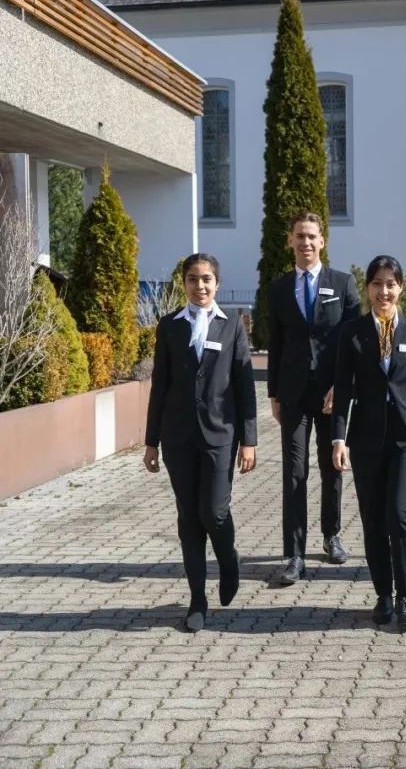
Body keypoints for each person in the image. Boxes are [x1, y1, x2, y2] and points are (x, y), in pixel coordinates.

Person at [144, 253, 257, 632]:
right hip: (178, 437)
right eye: (193, 279)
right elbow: (160, 385)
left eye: (206, 279)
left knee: (214, 511)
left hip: (220, 434)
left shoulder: (232, 325)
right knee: (189, 518)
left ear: (217, 283)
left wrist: (249, 440)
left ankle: (228, 560)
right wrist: (151, 441)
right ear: (184, 283)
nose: (200, 286)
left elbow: (244, 385)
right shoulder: (169, 326)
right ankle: (197, 599)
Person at [331, 255, 406, 632]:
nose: (384, 291)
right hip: (366, 439)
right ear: (368, 288)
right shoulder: (352, 332)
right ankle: (383, 594)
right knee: (374, 518)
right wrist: (339, 438)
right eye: (377, 283)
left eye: (390, 284)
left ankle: (405, 595)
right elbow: (343, 389)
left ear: (401, 288)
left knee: (400, 513)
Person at [266, 212, 361, 585]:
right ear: (290, 240)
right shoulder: (278, 288)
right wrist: (273, 393)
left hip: (331, 392)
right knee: (294, 472)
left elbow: (353, 340)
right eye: (299, 236)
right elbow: (275, 344)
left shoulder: (343, 283)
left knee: (331, 466)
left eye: (312, 236)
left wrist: (344, 384)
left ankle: (331, 534)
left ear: (322, 241)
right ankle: (294, 553)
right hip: (293, 394)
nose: (306, 242)